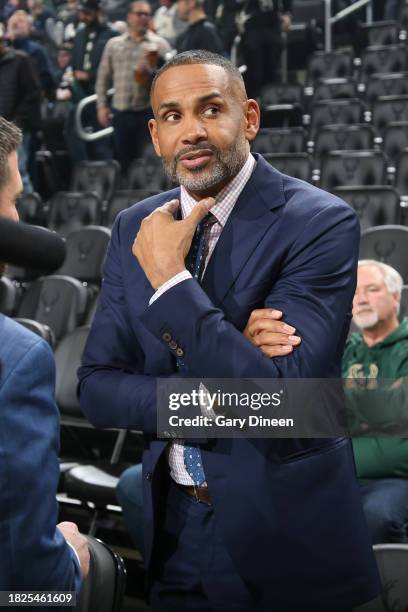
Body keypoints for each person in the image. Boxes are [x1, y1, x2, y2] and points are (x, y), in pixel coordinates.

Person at [78, 50, 380, 611]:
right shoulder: (133, 229)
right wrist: (234, 350)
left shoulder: (320, 220)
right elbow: (97, 387)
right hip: (172, 525)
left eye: (210, 109)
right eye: (172, 116)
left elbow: (282, 404)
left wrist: (171, 283)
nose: (191, 131)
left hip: (285, 533)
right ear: (154, 134)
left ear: (249, 118)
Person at [0, 116, 90, 590]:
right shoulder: (16, 359)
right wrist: (73, 564)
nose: (17, 218)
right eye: (13, 200)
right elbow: (29, 580)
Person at [342, 260, 408, 543]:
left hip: (396, 479)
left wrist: (340, 396)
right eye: (355, 293)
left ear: (396, 297)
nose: (362, 299)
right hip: (338, 475)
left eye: (372, 289)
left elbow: (401, 407)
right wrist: (382, 398)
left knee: (377, 517)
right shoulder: (343, 350)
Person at [96, 0, 171, 172]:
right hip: (120, 110)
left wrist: (152, 72)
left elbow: (171, 80)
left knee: (147, 163)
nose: (143, 18)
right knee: (122, 161)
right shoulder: (114, 44)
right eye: (139, 14)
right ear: (129, 17)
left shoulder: (160, 44)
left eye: (147, 14)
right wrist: (101, 106)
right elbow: (103, 78)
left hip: (147, 112)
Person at [66, 0, 117, 161]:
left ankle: (107, 177)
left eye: (87, 13)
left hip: (102, 96)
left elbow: (113, 68)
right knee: (73, 134)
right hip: (80, 95)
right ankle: (83, 172)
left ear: (97, 12)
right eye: (82, 13)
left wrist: (90, 75)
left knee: (101, 143)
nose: (84, 17)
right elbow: (75, 60)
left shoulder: (111, 34)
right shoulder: (80, 34)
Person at [0, 21, 42, 194]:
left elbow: (33, 94)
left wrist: (16, 123)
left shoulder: (20, 60)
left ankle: (27, 216)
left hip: (17, 129)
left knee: (19, 174)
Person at [238, 0, 292, 98]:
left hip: (273, 23)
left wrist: (287, 14)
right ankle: (254, 100)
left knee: (271, 71)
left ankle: (269, 101)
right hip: (252, 23)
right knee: (255, 73)